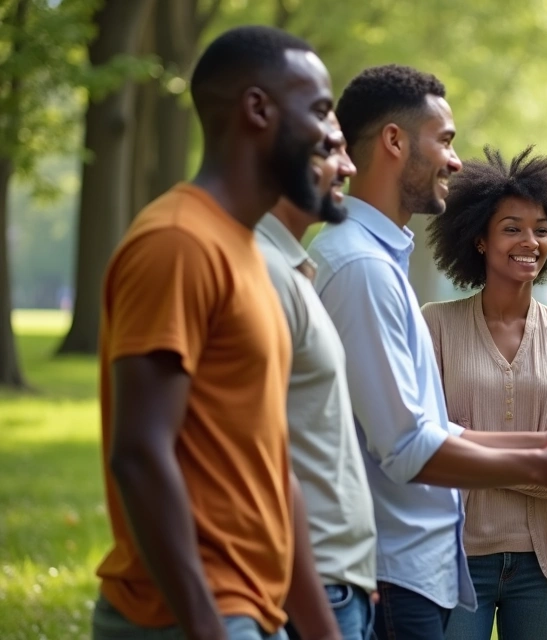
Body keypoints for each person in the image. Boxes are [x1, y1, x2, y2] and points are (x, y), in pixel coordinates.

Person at [308, 64, 547, 640]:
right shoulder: (364, 268)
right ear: (394, 140)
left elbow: (433, 430)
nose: (454, 160)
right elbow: (411, 446)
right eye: (445, 140)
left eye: (540, 230)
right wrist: (544, 462)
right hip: (399, 567)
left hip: (431, 568)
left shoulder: (378, 263)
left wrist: (544, 447)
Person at [93, 26, 341, 640]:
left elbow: (271, 466)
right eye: (316, 110)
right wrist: (207, 625)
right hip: (187, 614)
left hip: (252, 610)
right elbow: (141, 453)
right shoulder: (177, 243)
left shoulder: (252, 255)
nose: (329, 135)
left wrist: (320, 629)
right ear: (257, 109)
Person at [420, 145, 547, 640]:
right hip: (453, 562)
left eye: (541, 229)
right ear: (479, 239)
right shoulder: (434, 325)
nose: (530, 241)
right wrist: (545, 459)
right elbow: (423, 448)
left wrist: (467, 449)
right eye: (512, 227)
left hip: (545, 568)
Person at [256, 116, 379, 640]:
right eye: (330, 150)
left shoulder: (291, 266)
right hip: (311, 589)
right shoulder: (260, 268)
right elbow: (264, 460)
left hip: (336, 581)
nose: (348, 167)